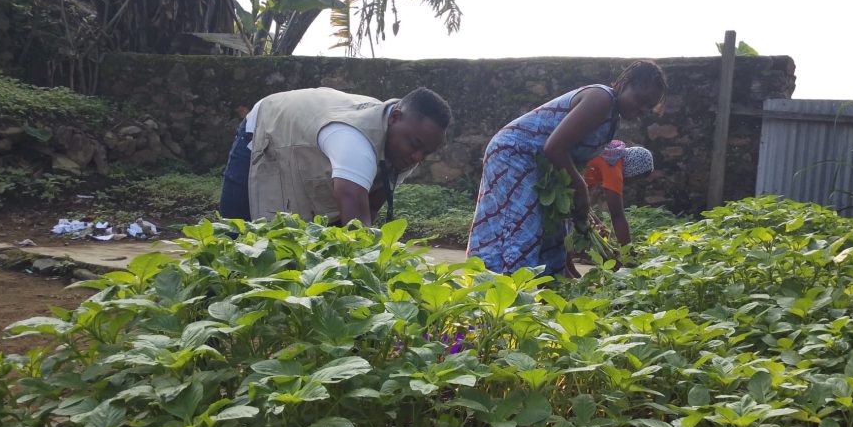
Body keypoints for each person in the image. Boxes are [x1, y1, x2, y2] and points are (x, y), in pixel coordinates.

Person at [467, 60, 667, 276]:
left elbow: (568, 159)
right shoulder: (601, 98)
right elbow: (554, 147)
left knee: (555, 232)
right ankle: (501, 287)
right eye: (640, 99)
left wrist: (584, 210)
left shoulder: (612, 119)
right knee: (522, 228)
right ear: (625, 83)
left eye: (649, 106)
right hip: (515, 153)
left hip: (542, 165)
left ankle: (557, 287)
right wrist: (580, 190)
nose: (643, 109)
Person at [219, 86, 451, 226]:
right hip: (268, 125)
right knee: (237, 232)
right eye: (416, 145)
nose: (417, 157)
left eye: (426, 153)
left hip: (311, 141)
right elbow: (355, 215)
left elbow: (369, 209)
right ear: (395, 118)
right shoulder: (355, 143)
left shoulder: (405, 146)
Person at [583, 140, 656, 246]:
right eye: (636, 178)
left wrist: (600, 227)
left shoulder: (610, 154)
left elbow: (581, 205)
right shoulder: (613, 166)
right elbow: (617, 215)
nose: (632, 183)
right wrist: (628, 249)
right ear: (634, 168)